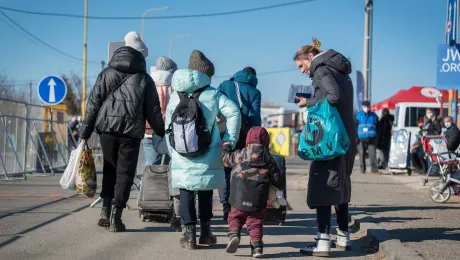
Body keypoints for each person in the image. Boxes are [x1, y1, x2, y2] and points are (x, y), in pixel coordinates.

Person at [79, 32, 165, 232]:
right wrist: (161, 131)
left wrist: (85, 130)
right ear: (141, 56)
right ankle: (116, 217)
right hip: (130, 133)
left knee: (109, 168)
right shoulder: (145, 79)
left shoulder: (106, 73)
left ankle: (105, 209)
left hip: (106, 130)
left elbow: (93, 103)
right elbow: (153, 111)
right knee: (125, 174)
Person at [165, 50, 241, 250]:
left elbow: (168, 127)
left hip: (181, 152)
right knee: (206, 189)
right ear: (205, 74)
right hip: (208, 151)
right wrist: (229, 140)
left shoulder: (174, 96)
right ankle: (206, 233)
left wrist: (173, 151)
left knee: (186, 191)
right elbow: (233, 112)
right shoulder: (213, 94)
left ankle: (189, 235)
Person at [293, 38, 356, 256]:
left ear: (310, 57)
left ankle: (322, 242)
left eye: (301, 65)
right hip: (346, 137)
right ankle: (343, 236)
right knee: (340, 186)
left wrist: (307, 103)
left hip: (329, 140)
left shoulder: (320, 70)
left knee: (323, 188)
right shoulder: (339, 70)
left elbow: (333, 97)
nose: (302, 71)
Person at [221, 126, 285, 258]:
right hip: (258, 198)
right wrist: (275, 185)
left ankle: (234, 234)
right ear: (266, 142)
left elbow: (225, 160)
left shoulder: (239, 154)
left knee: (235, 216)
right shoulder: (269, 158)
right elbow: (278, 178)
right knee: (255, 221)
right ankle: (257, 247)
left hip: (238, 196)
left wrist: (226, 147)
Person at [217, 67, 262, 220]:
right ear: (253, 77)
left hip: (224, 131)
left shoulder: (225, 85)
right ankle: (238, 206)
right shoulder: (255, 92)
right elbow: (255, 116)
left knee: (224, 169)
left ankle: (225, 206)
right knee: (240, 169)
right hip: (243, 134)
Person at [145, 56, 182, 231]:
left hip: (149, 130)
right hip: (170, 132)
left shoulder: (148, 83)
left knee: (150, 168)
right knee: (170, 170)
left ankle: (150, 204)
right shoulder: (174, 86)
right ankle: (169, 207)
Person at [356, 101, 379, 174]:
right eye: (365, 106)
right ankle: (363, 169)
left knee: (372, 154)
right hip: (360, 138)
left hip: (372, 138)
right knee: (361, 153)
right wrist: (355, 137)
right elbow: (354, 126)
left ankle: (374, 169)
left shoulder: (374, 115)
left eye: (368, 106)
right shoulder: (358, 115)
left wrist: (377, 136)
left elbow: (378, 126)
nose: (366, 108)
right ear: (362, 106)